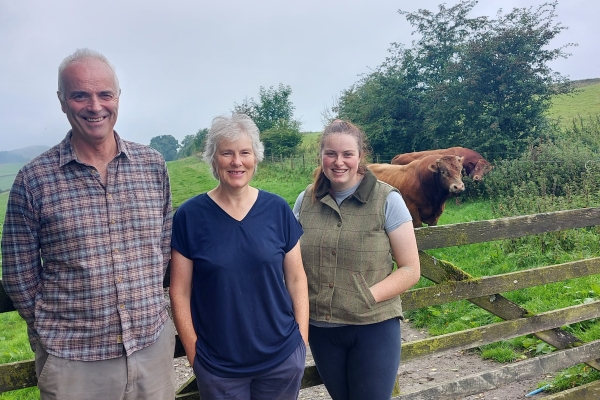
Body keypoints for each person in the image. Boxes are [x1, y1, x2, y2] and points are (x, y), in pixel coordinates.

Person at [1, 48, 175, 399]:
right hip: (74, 364)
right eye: (80, 95)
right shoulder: (34, 179)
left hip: (151, 348)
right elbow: (19, 273)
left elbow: (163, 245)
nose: (95, 106)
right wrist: (47, 331)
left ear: (118, 97)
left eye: (104, 94)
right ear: (62, 101)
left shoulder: (152, 165)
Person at [169, 114, 309, 400]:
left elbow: (296, 278)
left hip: (281, 359)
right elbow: (179, 291)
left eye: (245, 152)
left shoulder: (277, 209)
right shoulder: (190, 217)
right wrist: (195, 355)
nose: (237, 162)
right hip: (219, 366)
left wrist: (301, 342)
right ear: (213, 158)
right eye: (227, 153)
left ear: (255, 157)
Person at [293, 119, 421, 400]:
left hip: (373, 328)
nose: (339, 162)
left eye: (347, 154)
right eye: (331, 154)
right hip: (322, 330)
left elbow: (411, 269)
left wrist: (365, 296)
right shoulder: (305, 202)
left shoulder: (387, 200)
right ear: (321, 156)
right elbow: (289, 264)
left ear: (360, 156)